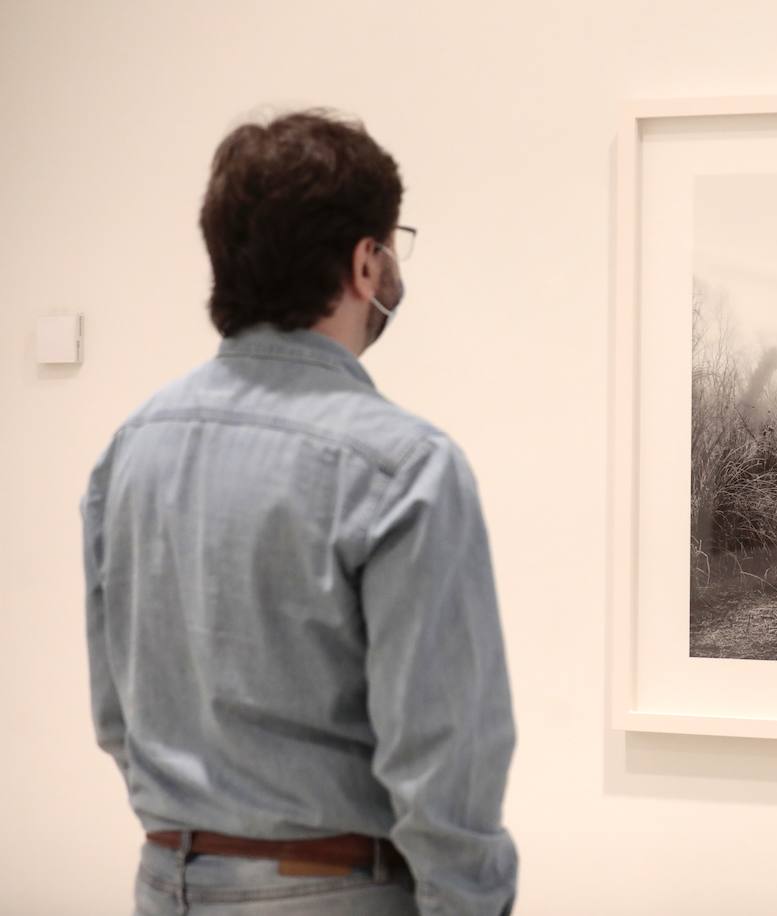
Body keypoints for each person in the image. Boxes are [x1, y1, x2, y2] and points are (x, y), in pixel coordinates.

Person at [79, 109, 518, 915]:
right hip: (333, 889)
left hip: (163, 881)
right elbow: (444, 760)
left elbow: (117, 715)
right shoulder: (404, 466)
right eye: (392, 248)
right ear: (364, 262)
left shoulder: (129, 450)